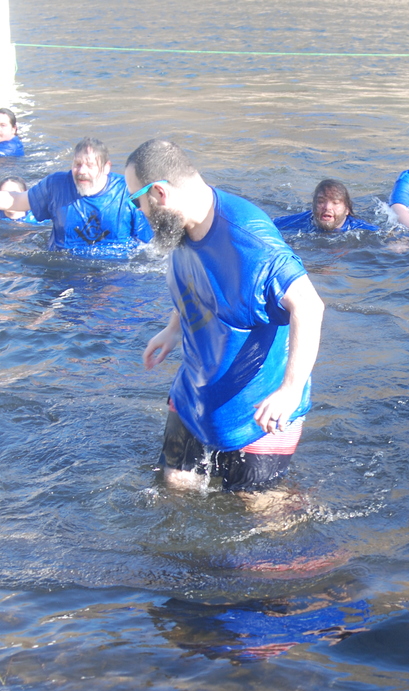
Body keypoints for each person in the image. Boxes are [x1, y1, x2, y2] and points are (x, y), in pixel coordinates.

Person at [127, 138, 325, 494]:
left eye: (136, 200)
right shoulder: (182, 225)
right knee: (175, 486)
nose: (138, 211)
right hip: (195, 394)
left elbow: (309, 306)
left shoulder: (250, 241)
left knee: (258, 513)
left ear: (159, 192)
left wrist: (290, 391)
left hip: (259, 412)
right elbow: (200, 282)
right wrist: (173, 328)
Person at [0, 138, 153, 258]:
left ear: (106, 168)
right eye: (77, 164)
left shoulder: (127, 192)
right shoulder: (56, 185)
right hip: (63, 269)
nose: (81, 171)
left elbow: (149, 245)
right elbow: (16, 201)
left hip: (115, 273)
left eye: (90, 165)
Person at [272, 179, 378, 234]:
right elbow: (268, 225)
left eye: (335, 202)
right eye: (321, 202)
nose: (327, 207)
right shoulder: (298, 222)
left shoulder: (363, 230)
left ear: (347, 209)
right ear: (313, 205)